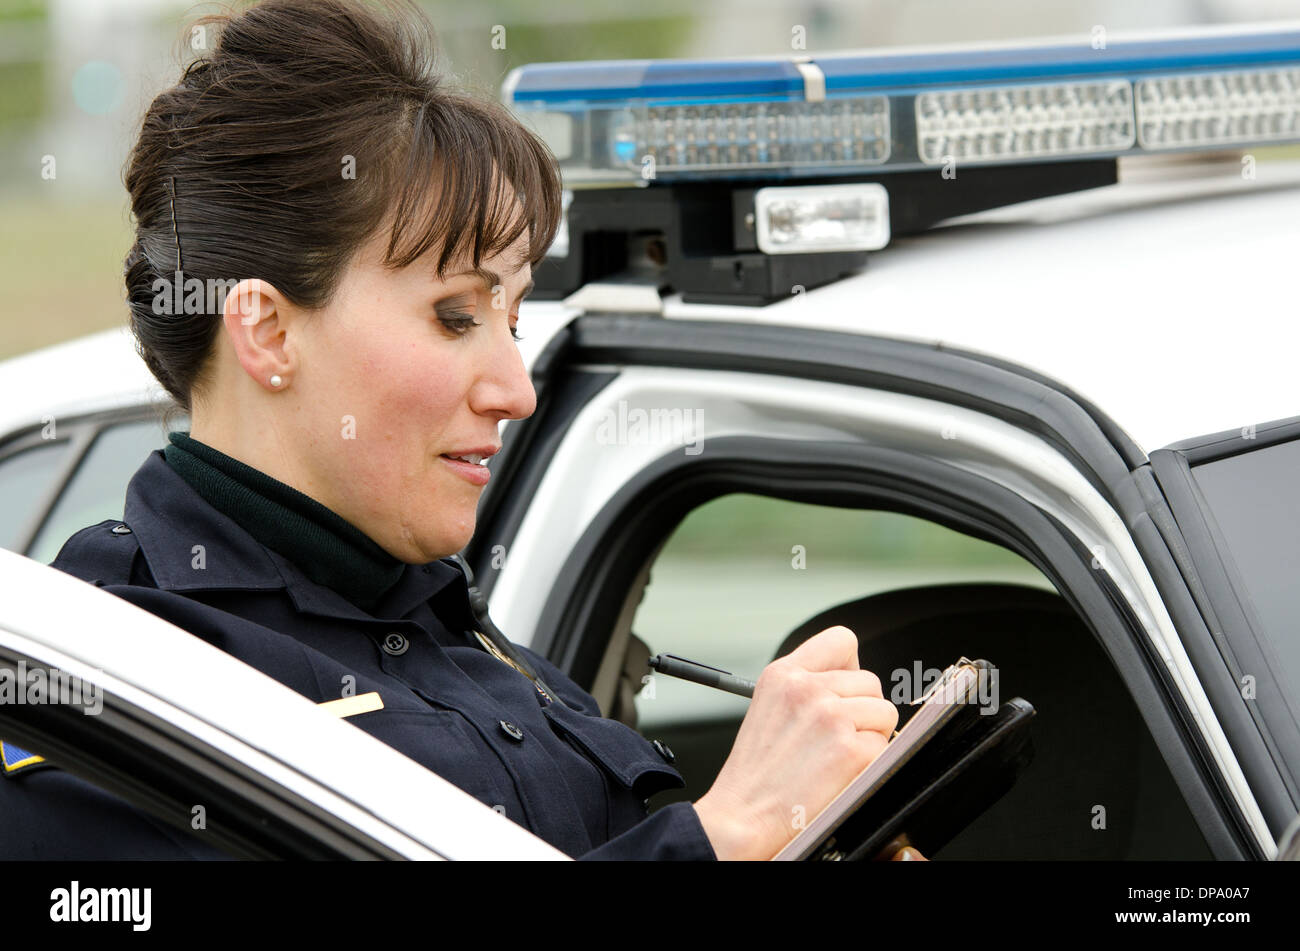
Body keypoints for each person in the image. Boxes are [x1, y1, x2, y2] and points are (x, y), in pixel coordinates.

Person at [0, 0, 906, 861]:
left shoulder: (471, 639)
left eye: (513, 319)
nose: (517, 388)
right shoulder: (108, 686)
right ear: (268, 332)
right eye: (455, 314)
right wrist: (726, 832)